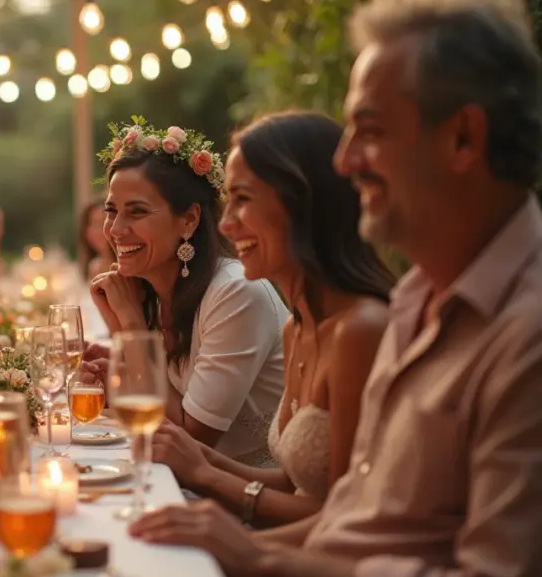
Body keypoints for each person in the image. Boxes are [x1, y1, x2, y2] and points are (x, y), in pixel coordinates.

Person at [130, 0, 542, 577]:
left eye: (369, 132)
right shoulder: (414, 303)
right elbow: (349, 515)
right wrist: (229, 550)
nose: (345, 163)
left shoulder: (525, 333)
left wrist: (254, 559)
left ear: (464, 138)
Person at [146, 111, 394, 528]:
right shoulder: (298, 326)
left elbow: (342, 516)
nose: (225, 223)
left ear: (303, 201)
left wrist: (206, 478)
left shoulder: (362, 330)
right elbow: (296, 483)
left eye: (242, 200)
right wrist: (195, 458)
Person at [89, 119, 288, 465]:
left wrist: (131, 328)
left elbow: (190, 439)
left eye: (137, 212)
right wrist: (112, 359)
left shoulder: (235, 293)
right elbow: (142, 408)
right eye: (111, 211)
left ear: (189, 220)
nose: (116, 229)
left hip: (248, 498)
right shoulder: (148, 290)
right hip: (183, 482)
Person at [79, 199, 115, 281]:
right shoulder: (94, 265)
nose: (91, 231)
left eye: (100, 224)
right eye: (89, 224)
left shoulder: (124, 269)